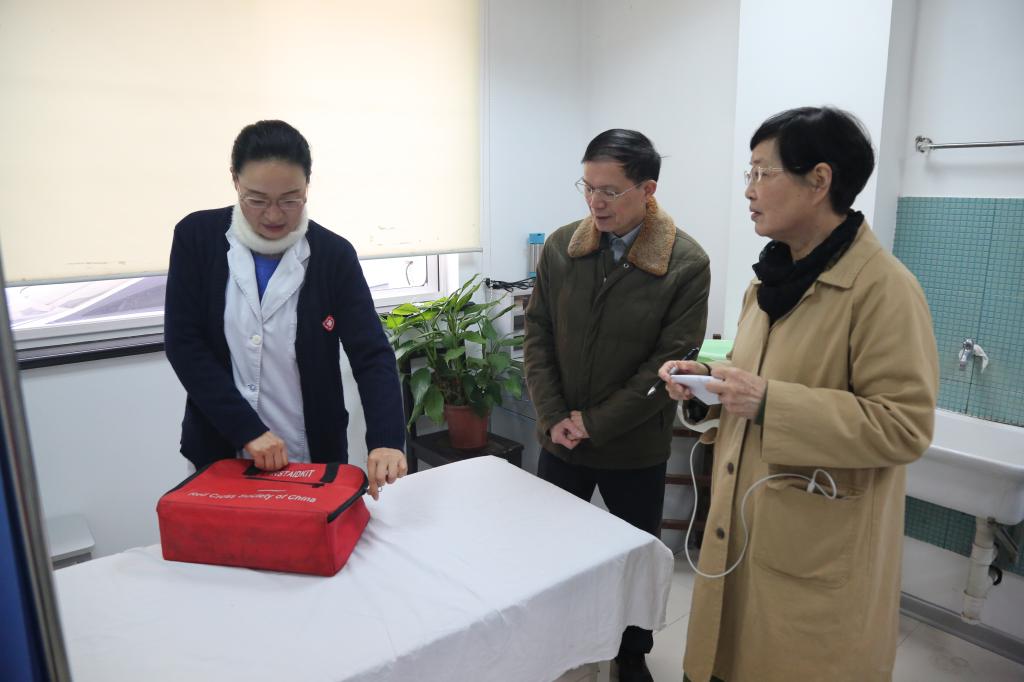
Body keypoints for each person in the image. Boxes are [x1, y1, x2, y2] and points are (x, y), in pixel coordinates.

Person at [661, 107, 939, 682]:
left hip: (814, 553)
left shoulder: (885, 289)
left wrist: (770, 402)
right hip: (741, 531)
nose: (749, 190)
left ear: (819, 180)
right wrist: (705, 383)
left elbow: (905, 427)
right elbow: (753, 379)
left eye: (762, 173)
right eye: (749, 174)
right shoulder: (767, 283)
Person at [524, 128, 711, 682]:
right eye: (588, 187)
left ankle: (631, 653)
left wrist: (595, 422)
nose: (595, 202)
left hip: (633, 446)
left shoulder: (685, 263)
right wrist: (553, 416)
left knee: (635, 560)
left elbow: (667, 364)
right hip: (562, 440)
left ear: (647, 190)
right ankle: (557, 643)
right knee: (554, 553)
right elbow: (538, 335)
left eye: (610, 191)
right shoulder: (563, 246)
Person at [164, 120, 406, 499]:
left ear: (307, 185)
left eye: (290, 199)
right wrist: (247, 429)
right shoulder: (197, 237)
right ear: (235, 181)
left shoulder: (333, 256)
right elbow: (184, 344)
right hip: (219, 448)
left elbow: (371, 354)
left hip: (313, 452)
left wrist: (387, 439)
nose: (274, 215)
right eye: (257, 199)